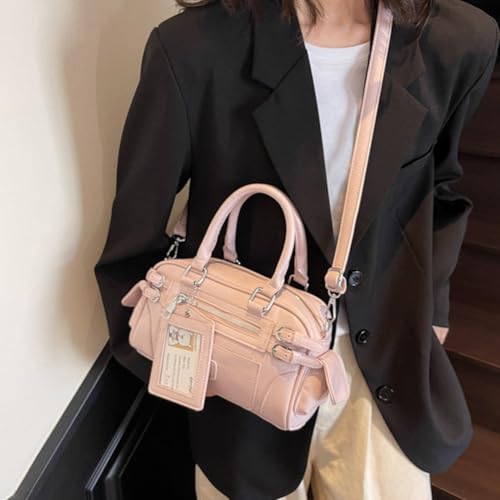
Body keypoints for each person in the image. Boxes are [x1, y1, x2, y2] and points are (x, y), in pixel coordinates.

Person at [94, 0, 499, 498]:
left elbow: (440, 189)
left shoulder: (457, 41)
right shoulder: (192, 49)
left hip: (384, 371)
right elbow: (131, 247)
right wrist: (186, 371)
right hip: (241, 383)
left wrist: (433, 306)